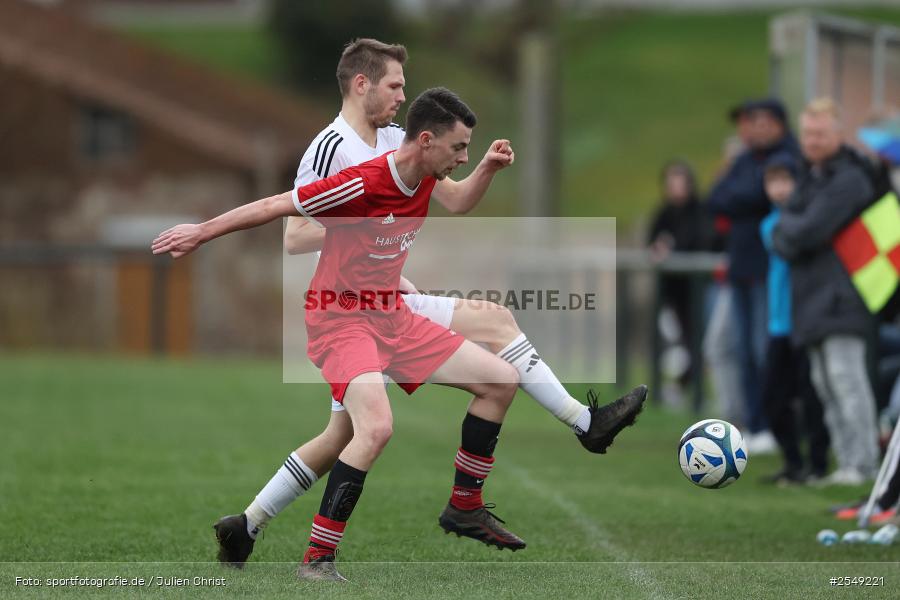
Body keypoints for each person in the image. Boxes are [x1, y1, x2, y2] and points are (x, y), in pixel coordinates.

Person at [152, 87, 648, 581]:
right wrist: (201, 231)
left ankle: (463, 506)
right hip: (341, 320)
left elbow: (459, 203)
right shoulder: (363, 181)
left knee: (500, 381)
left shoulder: (428, 174)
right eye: (459, 148)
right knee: (375, 429)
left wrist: (488, 171)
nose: (463, 157)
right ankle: (317, 561)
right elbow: (279, 206)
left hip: (391, 316)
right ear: (427, 140)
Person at [772, 97, 881, 485]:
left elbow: (805, 230)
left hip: (842, 299)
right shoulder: (810, 175)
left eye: (820, 133)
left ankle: (864, 464)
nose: (813, 140)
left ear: (838, 134)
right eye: (808, 133)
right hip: (811, 299)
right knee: (825, 385)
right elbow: (782, 235)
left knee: (847, 380)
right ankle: (848, 462)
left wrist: (790, 227)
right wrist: (790, 229)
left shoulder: (851, 178)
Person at [709, 98, 799, 454]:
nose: (757, 128)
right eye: (753, 122)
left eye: (764, 122)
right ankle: (756, 424)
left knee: (767, 352)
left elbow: (755, 197)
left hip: (770, 271)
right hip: (741, 270)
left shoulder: (789, 157)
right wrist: (750, 197)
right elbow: (716, 199)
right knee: (744, 352)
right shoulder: (745, 159)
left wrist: (743, 198)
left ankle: (777, 425)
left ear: (779, 123)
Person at [758, 151, 829, 484]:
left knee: (812, 396)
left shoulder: (808, 221)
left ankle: (817, 464)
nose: (779, 189)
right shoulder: (770, 224)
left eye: (785, 180)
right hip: (779, 324)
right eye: (772, 182)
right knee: (773, 398)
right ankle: (792, 461)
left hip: (807, 321)